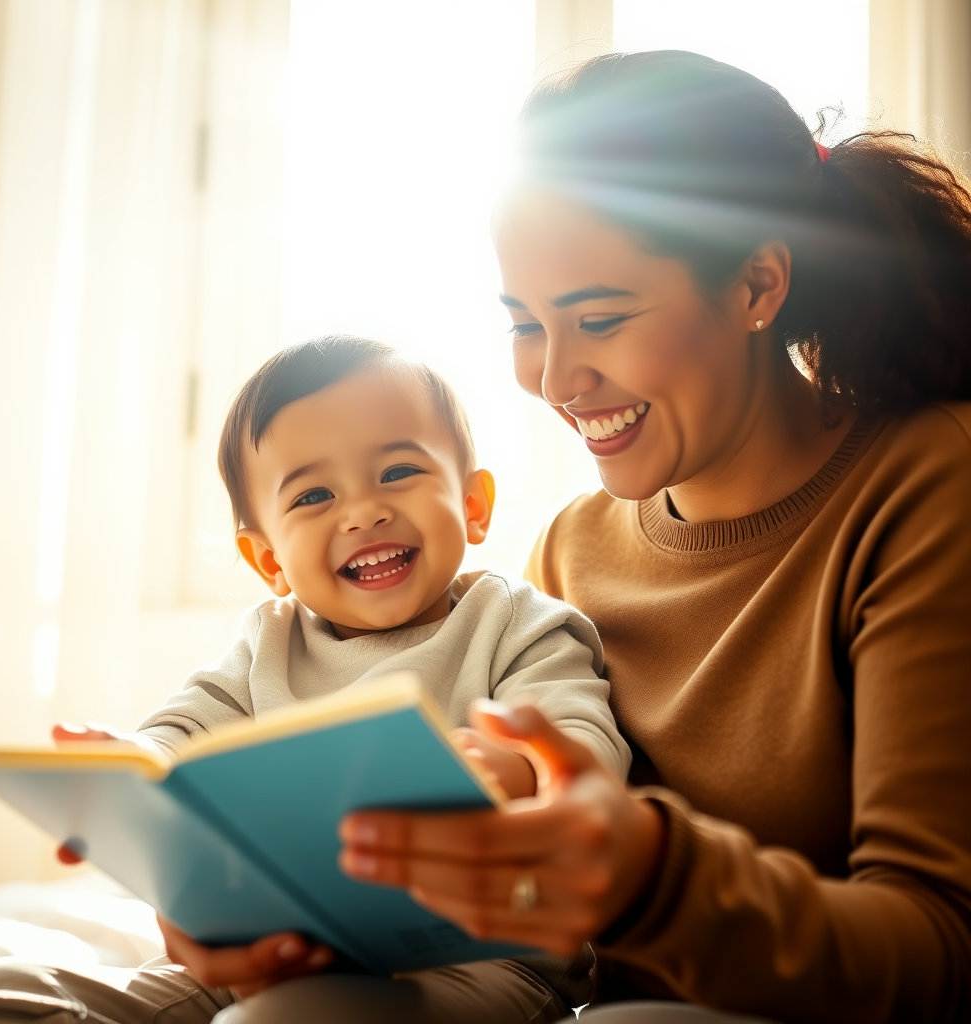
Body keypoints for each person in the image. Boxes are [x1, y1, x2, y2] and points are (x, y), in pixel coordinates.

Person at [331, 51, 971, 1023]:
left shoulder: (925, 483)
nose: (553, 378)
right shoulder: (568, 556)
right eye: (525, 324)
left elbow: (938, 943)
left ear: (757, 284)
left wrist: (653, 877)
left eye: (598, 317)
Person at [0, 335, 630, 1023]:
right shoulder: (266, 643)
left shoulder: (518, 622)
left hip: (484, 960)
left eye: (397, 472)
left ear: (474, 504)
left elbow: (584, 750)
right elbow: (181, 733)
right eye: (314, 495)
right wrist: (129, 773)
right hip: (273, 950)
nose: (362, 511)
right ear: (267, 557)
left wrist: (513, 767)